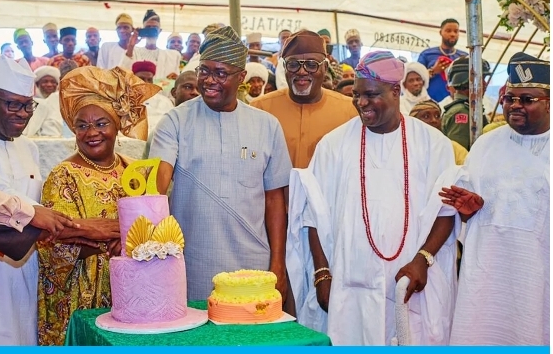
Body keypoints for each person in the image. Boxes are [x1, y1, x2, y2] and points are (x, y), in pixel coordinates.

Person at [0, 57, 119, 345]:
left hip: (24, 265)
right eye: (13, 104)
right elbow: (8, 201)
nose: (23, 114)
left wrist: (88, 235)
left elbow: (40, 207)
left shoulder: (29, 147)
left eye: (28, 105)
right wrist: (86, 227)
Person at [286, 50, 458, 345]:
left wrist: (423, 259)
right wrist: (322, 273)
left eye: (371, 95)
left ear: (395, 91)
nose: (361, 103)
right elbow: (313, 214)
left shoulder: (433, 144)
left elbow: (445, 211)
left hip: (411, 284)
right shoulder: (333, 145)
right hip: (349, 286)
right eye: (356, 95)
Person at [149, 26, 293, 304]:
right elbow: (157, 185)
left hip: (253, 267)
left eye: (220, 73)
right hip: (190, 264)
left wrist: (278, 263)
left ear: (241, 77)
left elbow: (274, 200)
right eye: (204, 70)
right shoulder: (175, 121)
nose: (209, 80)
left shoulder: (267, 126)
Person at [38, 65, 159, 345]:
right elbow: (52, 242)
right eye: (82, 125)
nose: (91, 132)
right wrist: (111, 240)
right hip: (81, 295)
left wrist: (124, 239)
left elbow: (155, 227)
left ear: (117, 125)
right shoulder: (63, 175)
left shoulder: (134, 170)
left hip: (133, 289)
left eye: (102, 123)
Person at [441, 52, 550, 345]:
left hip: (540, 275)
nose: (515, 105)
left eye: (527, 99)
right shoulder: (486, 145)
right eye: (509, 98)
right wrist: (467, 210)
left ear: (549, 102)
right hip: (489, 274)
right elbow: (469, 213)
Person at [251, 30, 357, 169]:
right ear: (284, 68)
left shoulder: (350, 111)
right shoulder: (259, 109)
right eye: (293, 64)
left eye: (312, 65)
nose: (302, 71)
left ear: (325, 67)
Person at [441, 57, 490, 151]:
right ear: (466, 82)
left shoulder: (468, 109)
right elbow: (459, 153)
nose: (485, 84)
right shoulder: (462, 112)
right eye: (481, 78)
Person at [121, 9, 181, 81]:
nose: (151, 31)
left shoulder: (172, 56)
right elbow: (123, 74)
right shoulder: (133, 52)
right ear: (143, 30)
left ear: (160, 31)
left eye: (154, 28)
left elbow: (176, 80)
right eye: (148, 28)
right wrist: (131, 46)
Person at [418, 19, 468, 103]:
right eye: (448, 31)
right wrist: (433, 71)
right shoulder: (427, 54)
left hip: (458, 104)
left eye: (456, 31)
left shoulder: (464, 57)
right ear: (440, 32)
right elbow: (415, 80)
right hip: (431, 104)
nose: (452, 34)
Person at [410, 100, 468, 166]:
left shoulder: (453, 148)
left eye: (437, 116)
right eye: (426, 116)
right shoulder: (408, 147)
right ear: (415, 122)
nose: (434, 120)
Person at [131, 61, 174, 136]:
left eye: (149, 79)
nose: (146, 83)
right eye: (141, 79)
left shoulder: (165, 102)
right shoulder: (121, 101)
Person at [23, 66, 63, 138]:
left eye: (53, 82)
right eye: (45, 81)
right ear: (37, 84)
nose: (49, 85)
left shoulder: (62, 102)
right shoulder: (32, 104)